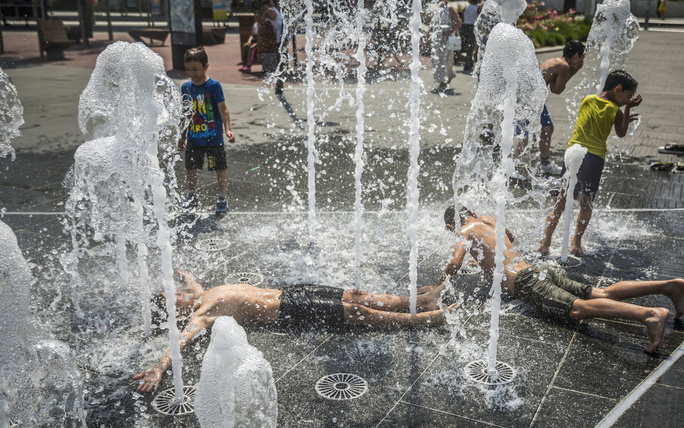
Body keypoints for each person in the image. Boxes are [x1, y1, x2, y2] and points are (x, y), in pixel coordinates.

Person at [133, 271, 458, 392]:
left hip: (291, 293)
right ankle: (427, 319)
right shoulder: (201, 314)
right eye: (170, 299)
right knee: (358, 313)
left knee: (355, 296)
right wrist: (160, 367)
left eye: (171, 291)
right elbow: (181, 341)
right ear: (177, 310)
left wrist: (183, 275)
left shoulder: (200, 292)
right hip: (289, 311)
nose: (176, 293)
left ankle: (420, 300)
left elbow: (191, 282)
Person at [441, 205, 684, 354]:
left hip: (527, 283)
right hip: (538, 270)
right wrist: (486, 257)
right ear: (471, 213)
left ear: (452, 225)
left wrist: (440, 285)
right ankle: (669, 286)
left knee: (579, 310)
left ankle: (649, 315)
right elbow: (508, 236)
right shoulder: (486, 219)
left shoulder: (463, 232)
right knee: (602, 293)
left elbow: (454, 262)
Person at [538, 70, 642, 256]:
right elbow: (621, 132)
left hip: (572, 154)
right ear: (617, 89)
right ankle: (576, 243)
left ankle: (545, 243)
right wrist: (626, 111)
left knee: (562, 199)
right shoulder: (615, 111)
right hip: (593, 158)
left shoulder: (588, 100)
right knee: (586, 203)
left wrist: (624, 108)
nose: (627, 100)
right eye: (628, 96)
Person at [179, 46, 236, 218]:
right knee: (190, 168)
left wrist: (228, 129)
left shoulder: (214, 86)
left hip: (213, 138)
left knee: (220, 168)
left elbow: (223, 109)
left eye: (195, 69)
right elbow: (185, 113)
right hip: (194, 138)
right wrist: (181, 135)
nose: (192, 73)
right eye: (188, 69)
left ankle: (222, 198)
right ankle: (191, 195)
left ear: (206, 66)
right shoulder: (185, 88)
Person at [526, 40, 586, 176]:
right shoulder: (564, 66)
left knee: (547, 128)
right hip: (529, 98)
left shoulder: (558, 62)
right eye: (583, 57)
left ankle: (545, 163)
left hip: (531, 97)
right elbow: (557, 90)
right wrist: (575, 70)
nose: (583, 60)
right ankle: (507, 168)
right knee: (527, 136)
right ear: (576, 56)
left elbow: (553, 87)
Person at [431, 0, 462, 92]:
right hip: (437, 39)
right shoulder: (436, 9)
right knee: (437, 60)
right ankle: (447, 77)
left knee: (444, 60)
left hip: (446, 39)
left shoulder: (449, 9)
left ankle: (443, 82)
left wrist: (450, 30)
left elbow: (458, 23)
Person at [256, 0, 284, 94]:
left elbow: (261, 22)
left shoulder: (269, 11)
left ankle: (277, 81)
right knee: (277, 60)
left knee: (275, 61)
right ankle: (277, 79)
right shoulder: (274, 10)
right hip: (278, 38)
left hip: (275, 38)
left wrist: (259, 18)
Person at [460, 0, 481, 73]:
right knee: (471, 46)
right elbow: (479, 18)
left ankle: (469, 62)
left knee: (467, 45)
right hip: (472, 27)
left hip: (465, 26)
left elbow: (462, 15)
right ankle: (468, 64)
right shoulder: (478, 8)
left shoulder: (466, 7)